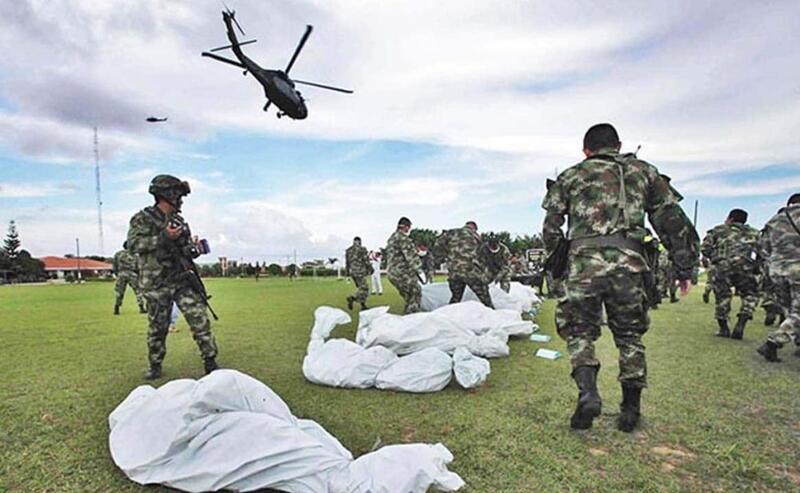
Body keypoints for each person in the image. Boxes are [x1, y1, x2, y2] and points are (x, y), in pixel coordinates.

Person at [542, 123, 698, 432]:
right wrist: (684, 265)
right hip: (630, 265)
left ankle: (588, 395)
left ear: (586, 150)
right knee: (629, 336)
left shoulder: (570, 175)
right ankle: (630, 410)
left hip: (583, 266)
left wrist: (558, 260)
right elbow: (671, 220)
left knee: (580, 332)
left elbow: (551, 226)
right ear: (618, 144)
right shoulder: (644, 172)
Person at [127, 175, 219, 380]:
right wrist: (163, 237)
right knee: (158, 327)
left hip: (182, 280)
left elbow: (184, 250)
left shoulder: (179, 222)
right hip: (156, 284)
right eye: (179, 196)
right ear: (168, 195)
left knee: (199, 319)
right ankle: (155, 364)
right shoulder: (142, 219)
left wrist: (194, 249)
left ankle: (210, 361)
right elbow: (133, 245)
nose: (182, 201)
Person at [701, 209, 761, 339]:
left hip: (723, 268)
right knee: (750, 295)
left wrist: (716, 258)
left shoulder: (718, 230)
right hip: (746, 268)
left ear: (731, 219)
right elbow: (763, 252)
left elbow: (705, 249)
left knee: (723, 297)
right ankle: (742, 321)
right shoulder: (755, 233)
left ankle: (724, 329)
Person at [757, 193, 800, 362]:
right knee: (797, 311)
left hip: (776, 271)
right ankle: (773, 342)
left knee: (790, 309)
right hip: (797, 269)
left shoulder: (773, 220)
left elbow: (762, 248)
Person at [435, 222, 494, 308]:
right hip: (471, 272)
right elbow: (484, 254)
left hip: (454, 272)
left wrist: (445, 257)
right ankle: (493, 314)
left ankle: (449, 316)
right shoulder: (476, 236)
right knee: (485, 298)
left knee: (456, 298)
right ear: (474, 228)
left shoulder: (451, 233)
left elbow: (438, 245)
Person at [385, 217, 423, 314]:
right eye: (409, 228)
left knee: (409, 298)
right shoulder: (403, 238)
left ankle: (405, 321)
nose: (409, 230)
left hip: (392, 274)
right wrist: (419, 270)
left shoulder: (391, 238)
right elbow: (410, 257)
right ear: (406, 227)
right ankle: (412, 320)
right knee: (416, 292)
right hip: (402, 273)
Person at [112, 241, 147, 315]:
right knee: (138, 291)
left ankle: (117, 308)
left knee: (119, 292)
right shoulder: (135, 255)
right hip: (132, 274)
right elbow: (138, 266)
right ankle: (141, 307)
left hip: (121, 274)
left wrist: (117, 274)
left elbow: (114, 265)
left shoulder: (118, 254)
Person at [345, 237, 373, 310]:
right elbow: (366, 260)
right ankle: (353, 298)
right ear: (360, 242)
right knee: (364, 289)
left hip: (352, 272)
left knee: (360, 288)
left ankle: (363, 305)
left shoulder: (348, 250)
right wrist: (370, 268)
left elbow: (347, 263)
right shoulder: (362, 249)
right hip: (360, 272)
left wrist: (347, 273)